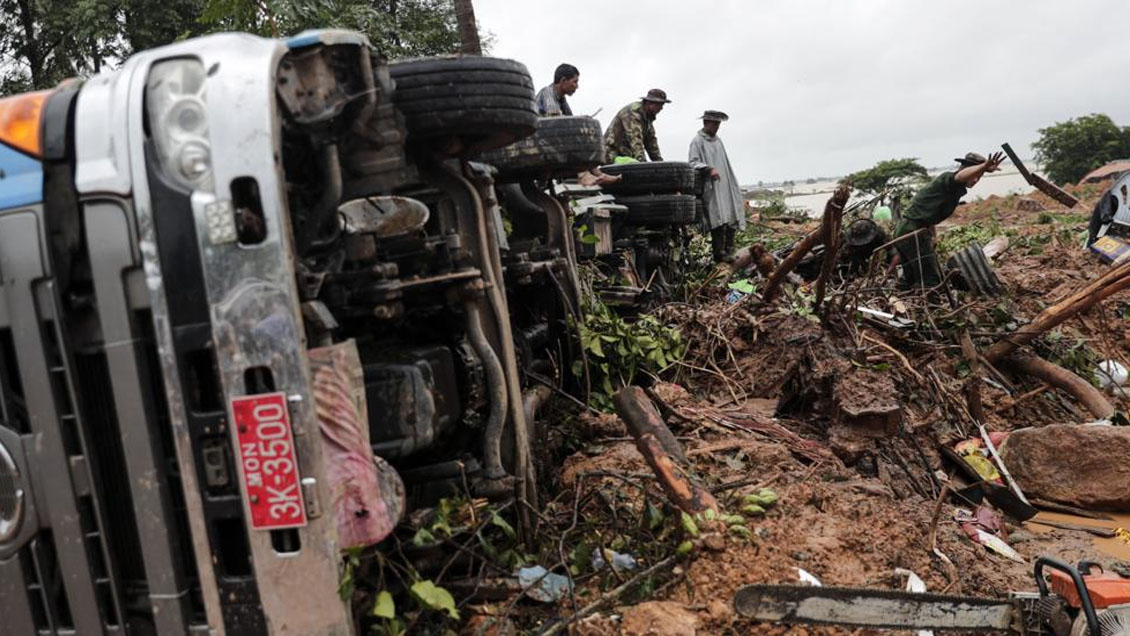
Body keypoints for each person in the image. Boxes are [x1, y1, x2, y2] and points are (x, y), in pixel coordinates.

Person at [894, 151, 1005, 290]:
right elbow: (959, 176)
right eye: (975, 174)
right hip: (912, 232)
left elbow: (928, 213)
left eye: (980, 176)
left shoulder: (952, 188)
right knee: (931, 279)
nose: (976, 179)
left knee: (910, 277)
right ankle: (933, 308)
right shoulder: (950, 179)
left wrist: (933, 236)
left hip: (907, 229)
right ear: (964, 168)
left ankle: (898, 301)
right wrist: (984, 166)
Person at [688, 110, 746, 262]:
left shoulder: (718, 141)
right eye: (714, 124)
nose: (717, 127)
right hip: (711, 186)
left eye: (718, 124)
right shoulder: (697, 141)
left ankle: (729, 250)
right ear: (706, 123)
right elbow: (692, 162)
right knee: (717, 217)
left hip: (724, 183)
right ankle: (719, 254)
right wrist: (708, 168)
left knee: (731, 214)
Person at [603, 88, 669, 162]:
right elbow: (635, 137)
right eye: (659, 105)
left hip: (626, 156)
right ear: (649, 103)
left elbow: (651, 142)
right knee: (634, 165)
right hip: (611, 155)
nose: (661, 108)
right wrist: (642, 161)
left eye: (662, 105)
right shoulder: (633, 112)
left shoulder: (647, 119)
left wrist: (659, 163)